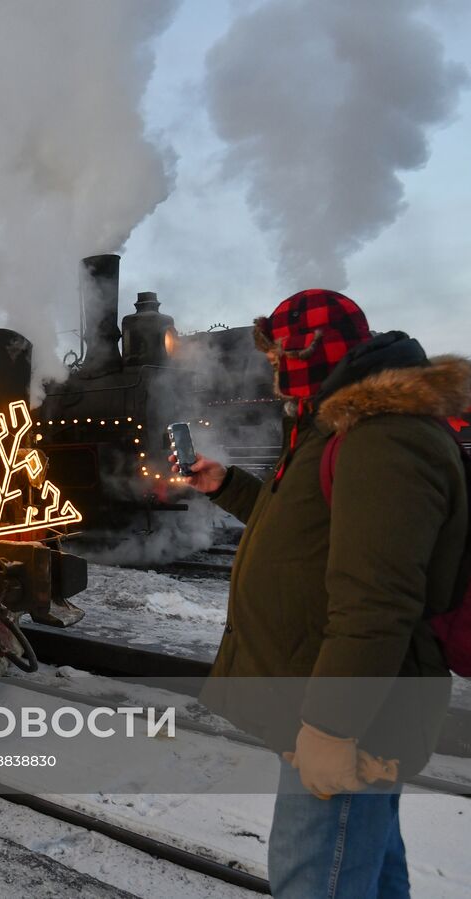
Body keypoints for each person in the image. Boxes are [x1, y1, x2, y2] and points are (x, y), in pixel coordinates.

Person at [177, 290, 469, 899]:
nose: (273, 369)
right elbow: (304, 536)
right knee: (370, 869)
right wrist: (227, 484)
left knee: (315, 880)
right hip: (337, 699)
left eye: (281, 355)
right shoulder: (329, 427)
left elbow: (377, 602)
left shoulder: (381, 438)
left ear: (312, 351)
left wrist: (332, 728)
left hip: (352, 717)